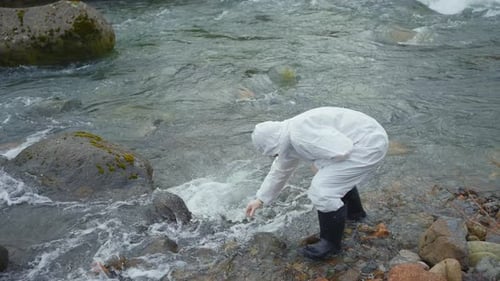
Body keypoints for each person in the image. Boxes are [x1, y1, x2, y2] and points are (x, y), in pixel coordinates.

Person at [245, 107, 389, 260]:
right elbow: (280, 171)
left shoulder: (300, 135)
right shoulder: (289, 137)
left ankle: (330, 245)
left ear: (274, 144)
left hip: (368, 144)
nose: (275, 155)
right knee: (334, 180)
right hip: (366, 139)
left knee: (322, 190)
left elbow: (343, 150)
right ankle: (356, 215)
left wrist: (320, 165)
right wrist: (260, 199)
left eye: (273, 152)